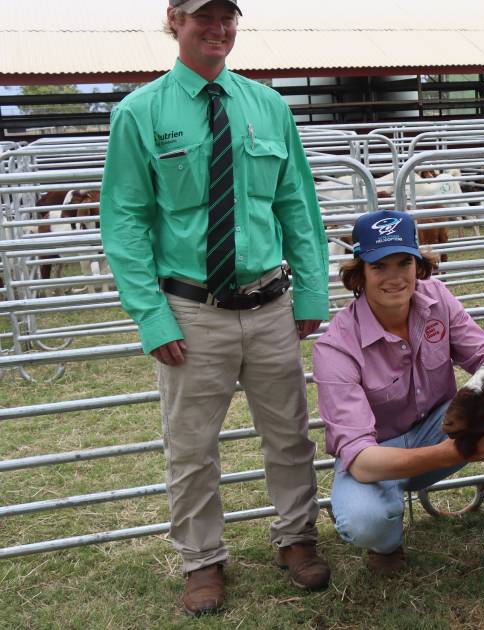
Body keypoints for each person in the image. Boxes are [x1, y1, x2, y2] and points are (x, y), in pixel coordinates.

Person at [99, 0, 331, 615]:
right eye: (203, 15)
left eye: (228, 16)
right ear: (174, 19)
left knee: (289, 434)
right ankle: (202, 561)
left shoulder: (269, 107)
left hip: (270, 304)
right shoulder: (140, 113)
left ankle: (296, 538)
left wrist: (310, 290)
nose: (217, 28)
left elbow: (296, 205)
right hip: (191, 310)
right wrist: (150, 314)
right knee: (191, 445)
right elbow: (123, 222)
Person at [313, 210, 484, 591]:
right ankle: (386, 544)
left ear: (418, 264)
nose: (394, 277)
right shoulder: (335, 347)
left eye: (404, 262)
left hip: (439, 426)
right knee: (364, 520)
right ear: (359, 274)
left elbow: (482, 356)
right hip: (379, 452)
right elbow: (360, 461)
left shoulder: (436, 298)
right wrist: (455, 452)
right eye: (379, 266)